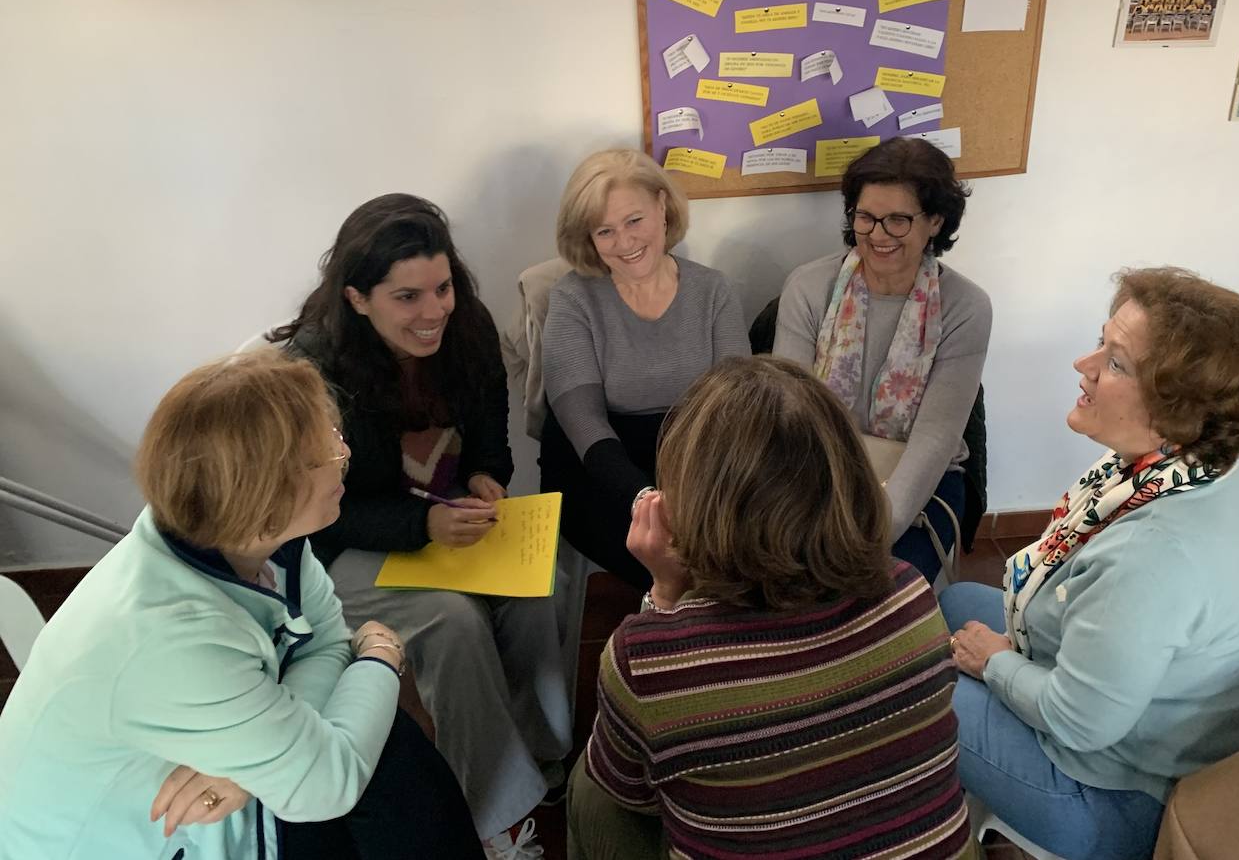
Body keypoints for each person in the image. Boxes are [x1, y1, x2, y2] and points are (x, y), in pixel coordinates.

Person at [0, 350, 481, 860]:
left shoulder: (253, 538)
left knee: (380, 749)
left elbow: (326, 644)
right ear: (264, 494)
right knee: (381, 754)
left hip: (218, 813)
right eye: (324, 452)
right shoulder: (170, 636)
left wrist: (250, 771)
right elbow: (324, 786)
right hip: (132, 844)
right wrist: (382, 655)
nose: (344, 453)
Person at [939, 267, 1239, 860]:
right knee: (954, 603)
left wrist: (995, 663)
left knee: (916, 695)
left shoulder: (1152, 558)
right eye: (1100, 342)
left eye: (1117, 362)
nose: (1085, 364)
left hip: (1128, 795)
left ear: (1177, 408)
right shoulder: (1189, 468)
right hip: (1159, 726)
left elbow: (1077, 722)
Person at [566, 356, 975, 860]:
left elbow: (634, 792)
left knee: (589, 790)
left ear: (687, 504)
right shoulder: (910, 592)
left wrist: (665, 596)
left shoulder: (646, 660)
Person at [272, 194, 570, 859]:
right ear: (357, 299)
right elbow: (314, 514)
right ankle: (494, 813)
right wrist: (423, 521)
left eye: (442, 288)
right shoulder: (310, 371)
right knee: (452, 620)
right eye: (407, 297)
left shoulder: (467, 329)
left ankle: (544, 759)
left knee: (537, 587)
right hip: (343, 546)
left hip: (443, 521)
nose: (434, 311)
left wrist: (487, 476)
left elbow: (490, 432)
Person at [772, 137, 992, 586]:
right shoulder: (808, 287)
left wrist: (869, 538)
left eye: (898, 220)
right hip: (818, 470)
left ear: (935, 221)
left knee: (879, 593)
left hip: (919, 479)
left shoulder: (966, 306)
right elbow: (791, 416)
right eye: (866, 217)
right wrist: (811, 519)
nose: (877, 235)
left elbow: (935, 438)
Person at [540, 149, 750, 589]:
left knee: (743, 552)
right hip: (601, 470)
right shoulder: (572, 299)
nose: (625, 243)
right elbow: (584, 423)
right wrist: (646, 500)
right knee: (679, 565)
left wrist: (697, 499)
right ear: (588, 237)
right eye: (605, 231)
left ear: (662, 205)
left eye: (634, 220)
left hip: (698, 460)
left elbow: (736, 411)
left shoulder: (713, 291)